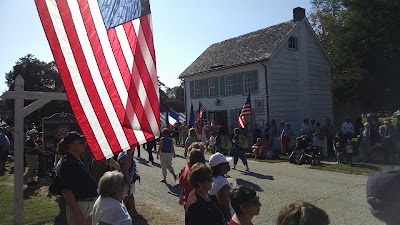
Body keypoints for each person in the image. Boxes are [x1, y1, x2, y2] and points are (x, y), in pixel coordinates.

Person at [57, 131, 98, 225]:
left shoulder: (74, 160)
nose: (85, 144)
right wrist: (78, 214)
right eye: (81, 142)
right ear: (71, 145)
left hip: (86, 204)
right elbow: (66, 191)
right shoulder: (67, 163)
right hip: (81, 206)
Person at [117, 147, 142, 219]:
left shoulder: (122, 154)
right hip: (127, 181)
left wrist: (136, 174)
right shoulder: (127, 157)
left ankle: (133, 211)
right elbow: (126, 171)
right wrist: (129, 183)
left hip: (124, 180)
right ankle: (122, 212)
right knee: (128, 196)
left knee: (129, 196)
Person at [209, 153, 233, 221]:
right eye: (226, 163)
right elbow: (225, 206)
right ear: (221, 167)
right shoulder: (222, 183)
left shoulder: (212, 178)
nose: (228, 165)